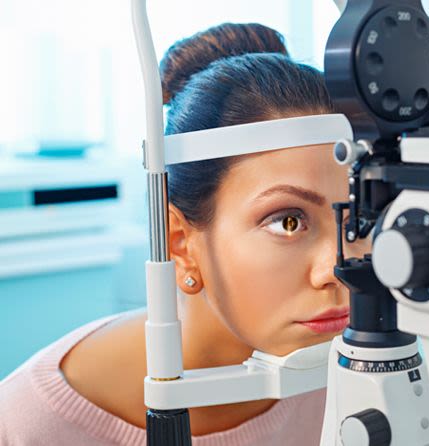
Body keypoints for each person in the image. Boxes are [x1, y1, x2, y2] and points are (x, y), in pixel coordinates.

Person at [0, 22, 367, 445]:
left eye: (357, 217)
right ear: (180, 243)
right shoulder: (28, 426)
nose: (338, 268)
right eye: (288, 221)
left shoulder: (354, 372)